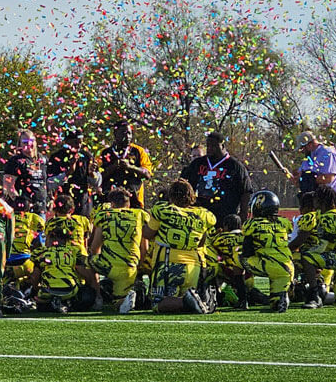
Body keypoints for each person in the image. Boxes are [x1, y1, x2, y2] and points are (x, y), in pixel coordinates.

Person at [143, 179, 215, 314]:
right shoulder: (203, 214)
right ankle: (198, 300)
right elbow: (201, 243)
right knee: (182, 305)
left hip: (168, 264)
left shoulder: (163, 210)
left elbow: (147, 234)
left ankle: (196, 301)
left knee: (158, 303)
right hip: (194, 267)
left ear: (171, 195)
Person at [87, 187, 149, 314]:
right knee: (119, 301)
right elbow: (145, 248)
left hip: (109, 266)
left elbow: (94, 248)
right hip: (131, 267)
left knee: (82, 262)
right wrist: (138, 268)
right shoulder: (139, 215)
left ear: (112, 204)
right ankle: (142, 294)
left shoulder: (104, 215)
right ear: (129, 203)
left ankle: (97, 297)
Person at [180, 132, 252, 222]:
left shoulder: (235, 166)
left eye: (213, 146)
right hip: (198, 216)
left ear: (222, 146)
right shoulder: (197, 163)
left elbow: (246, 191)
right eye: (208, 145)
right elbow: (182, 184)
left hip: (224, 219)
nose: (210, 149)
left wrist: (243, 214)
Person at [241, 190, 293, 313]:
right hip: (288, 267)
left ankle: (247, 293)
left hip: (268, 265)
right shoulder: (284, 222)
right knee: (276, 306)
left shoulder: (252, 224)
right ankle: (282, 295)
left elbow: (247, 250)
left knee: (237, 258)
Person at [100, 120, 153, 208]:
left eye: (129, 133)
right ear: (115, 133)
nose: (127, 136)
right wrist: (113, 167)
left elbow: (147, 174)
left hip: (134, 202)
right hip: (109, 204)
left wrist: (130, 167)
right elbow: (97, 177)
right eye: (123, 133)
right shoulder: (104, 153)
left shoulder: (139, 151)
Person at [293, 131, 336, 214]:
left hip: (332, 209)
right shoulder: (308, 159)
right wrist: (294, 177)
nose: (302, 151)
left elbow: (328, 178)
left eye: (303, 148)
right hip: (315, 208)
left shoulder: (328, 153)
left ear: (309, 145)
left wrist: (307, 178)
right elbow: (300, 180)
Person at [47, 129, 94, 215]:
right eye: (75, 142)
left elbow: (96, 183)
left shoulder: (86, 156)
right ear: (66, 142)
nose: (78, 145)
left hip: (83, 204)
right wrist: (68, 173)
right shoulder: (56, 157)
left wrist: (93, 174)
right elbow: (50, 182)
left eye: (80, 143)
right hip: (63, 205)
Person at [3, 129, 48, 216]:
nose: (29, 144)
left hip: (40, 209)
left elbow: (46, 182)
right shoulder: (15, 161)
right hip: (23, 210)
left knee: (40, 230)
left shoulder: (42, 160)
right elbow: (8, 184)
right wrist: (18, 201)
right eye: (25, 142)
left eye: (31, 141)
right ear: (20, 144)